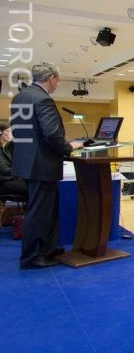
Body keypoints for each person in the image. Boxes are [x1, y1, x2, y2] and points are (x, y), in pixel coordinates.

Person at [10, 62, 84, 269]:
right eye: (57, 81)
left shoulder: (20, 97)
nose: (56, 85)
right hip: (42, 164)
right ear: (51, 78)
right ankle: (32, 257)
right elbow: (51, 134)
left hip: (27, 162)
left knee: (46, 210)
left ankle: (47, 249)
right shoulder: (43, 99)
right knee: (40, 212)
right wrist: (69, 147)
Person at [0, 123, 28, 198]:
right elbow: (4, 170)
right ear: (1, 133)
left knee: (34, 184)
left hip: (11, 180)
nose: (11, 133)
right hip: (3, 183)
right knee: (32, 187)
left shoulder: (7, 148)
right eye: (8, 131)